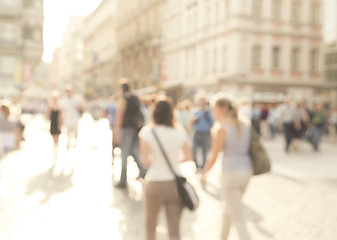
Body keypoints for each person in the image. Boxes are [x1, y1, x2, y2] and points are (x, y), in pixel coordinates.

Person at [139, 97, 193, 240]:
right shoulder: (179, 131)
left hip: (154, 183)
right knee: (174, 232)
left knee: (151, 228)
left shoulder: (147, 132)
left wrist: (157, 160)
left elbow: (144, 161)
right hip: (174, 185)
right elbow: (188, 156)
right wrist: (175, 160)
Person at [201, 94, 252, 240]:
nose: (212, 113)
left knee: (238, 219)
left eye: (214, 109)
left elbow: (214, 155)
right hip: (246, 171)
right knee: (228, 209)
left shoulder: (221, 128)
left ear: (223, 109)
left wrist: (204, 173)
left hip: (231, 173)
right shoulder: (245, 124)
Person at [113, 78, 146, 188]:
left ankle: (123, 180)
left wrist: (116, 131)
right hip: (135, 128)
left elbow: (120, 114)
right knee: (133, 151)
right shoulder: (134, 97)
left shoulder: (123, 99)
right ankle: (143, 170)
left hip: (126, 128)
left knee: (125, 154)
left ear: (121, 88)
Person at [189, 94, 214, 171]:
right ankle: (196, 166)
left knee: (205, 151)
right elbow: (189, 122)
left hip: (205, 133)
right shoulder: (194, 111)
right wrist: (193, 120)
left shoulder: (208, 111)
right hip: (196, 133)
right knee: (194, 150)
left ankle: (203, 167)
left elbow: (212, 123)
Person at [59, 84, 84, 149]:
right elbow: (61, 111)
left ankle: (76, 142)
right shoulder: (63, 100)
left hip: (75, 118)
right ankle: (68, 142)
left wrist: (78, 108)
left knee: (75, 131)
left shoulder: (76, 99)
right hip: (67, 119)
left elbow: (82, 107)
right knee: (68, 132)